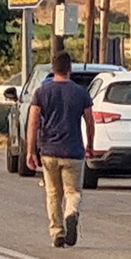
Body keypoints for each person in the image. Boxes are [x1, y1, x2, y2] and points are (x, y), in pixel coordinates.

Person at [24, 51, 94, 248]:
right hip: (73, 151)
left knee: (53, 193)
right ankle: (71, 213)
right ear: (69, 68)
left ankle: (57, 232)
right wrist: (90, 145)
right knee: (73, 192)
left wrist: (30, 151)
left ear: (53, 69)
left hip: (49, 151)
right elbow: (90, 121)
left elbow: (33, 123)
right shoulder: (81, 93)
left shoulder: (41, 93)